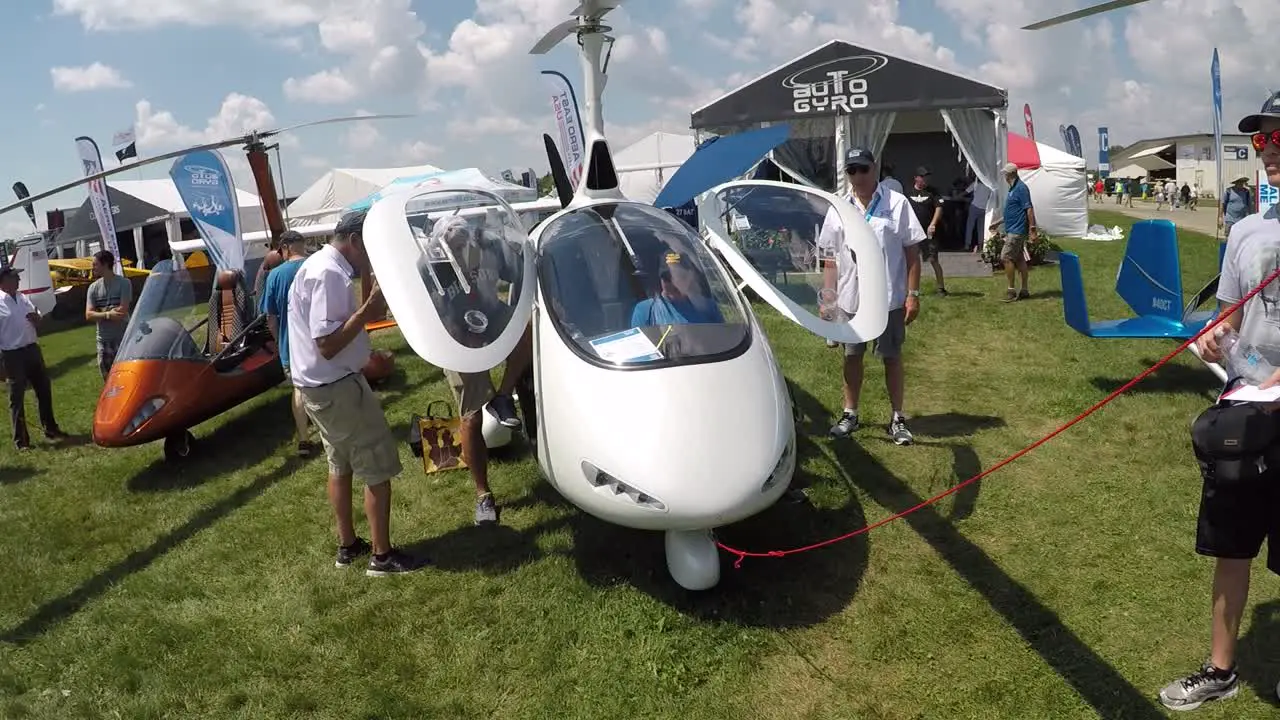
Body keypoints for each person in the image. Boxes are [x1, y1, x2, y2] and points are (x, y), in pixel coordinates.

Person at [1158, 91, 1280, 712]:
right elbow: (1230, 314)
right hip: (1247, 403)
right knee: (1232, 545)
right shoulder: (1246, 230)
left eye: (1278, 138)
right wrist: (1214, 335)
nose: (1267, 151)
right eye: (1260, 141)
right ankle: (1221, 669)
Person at [286, 209, 418, 576]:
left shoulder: (322, 266)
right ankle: (382, 556)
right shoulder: (328, 273)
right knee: (376, 467)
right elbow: (326, 343)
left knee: (340, 465)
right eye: (371, 247)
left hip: (322, 387)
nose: (374, 257)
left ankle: (348, 545)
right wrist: (368, 311)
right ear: (356, 241)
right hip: (337, 386)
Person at [427, 216, 533, 526]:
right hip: (455, 333)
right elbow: (434, 313)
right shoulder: (430, 266)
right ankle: (483, 495)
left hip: (491, 312)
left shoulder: (489, 249)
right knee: (471, 417)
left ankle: (503, 396)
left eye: (463, 244)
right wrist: (463, 336)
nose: (460, 251)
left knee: (526, 332)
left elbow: (520, 273)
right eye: (453, 247)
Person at [818, 147, 924, 446]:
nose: (858, 176)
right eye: (852, 171)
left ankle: (898, 418)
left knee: (891, 357)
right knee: (852, 357)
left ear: (874, 168)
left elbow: (912, 252)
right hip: (853, 300)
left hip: (889, 299)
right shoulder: (839, 208)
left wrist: (913, 294)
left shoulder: (897, 203)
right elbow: (830, 259)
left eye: (863, 169)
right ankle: (850, 413)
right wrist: (829, 298)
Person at [259, 230, 318, 458]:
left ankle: (304, 439)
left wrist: (278, 339)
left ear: (285, 248)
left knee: (299, 390)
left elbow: (270, 317)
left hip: (290, 344)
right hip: (321, 340)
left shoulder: (275, 276)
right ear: (302, 245)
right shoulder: (316, 266)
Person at [0, 267, 69, 450]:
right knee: (17, 398)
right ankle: (21, 441)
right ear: (4, 281)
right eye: (15, 277)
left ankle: (51, 428)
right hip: (12, 355)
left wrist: (37, 319)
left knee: (44, 390)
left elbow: (37, 320)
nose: (18, 280)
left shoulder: (23, 298)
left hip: (32, 350)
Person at [631, 249, 725, 326]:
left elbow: (724, 337)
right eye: (666, 278)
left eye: (679, 277)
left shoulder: (707, 307)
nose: (672, 283)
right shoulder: (645, 311)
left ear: (690, 277)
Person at [84, 250, 133, 380]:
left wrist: (99, 313)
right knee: (108, 380)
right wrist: (108, 314)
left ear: (105, 264)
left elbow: (121, 312)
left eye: (95, 264)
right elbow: (88, 315)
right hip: (103, 341)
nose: (92, 268)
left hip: (123, 339)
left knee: (127, 377)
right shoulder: (93, 288)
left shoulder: (124, 283)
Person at [904, 166, 947, 296]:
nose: (925, 179)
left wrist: (933, 224)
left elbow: (939, 208)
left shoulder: (933, 192)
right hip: (912, 232)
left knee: (933, 259)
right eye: (922, 176)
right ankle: (910, 290)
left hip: (929, 232)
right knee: (910, 261)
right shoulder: (907, 192)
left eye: (926, 177)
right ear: (916, 178)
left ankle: (941, 287)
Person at [999, 162, 1036, 302]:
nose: (1004, 177)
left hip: (1017, 230)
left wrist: (1032, 229)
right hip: (1012, 228)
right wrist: (999, 222)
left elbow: (1029, 209)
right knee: (1019, 258)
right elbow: (1014, 210)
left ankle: (1011, 290)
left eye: (1005, 174)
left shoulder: (1021, 188)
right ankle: (1024, 290)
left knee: (1006, 257)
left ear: (1010, 174)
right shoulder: (1012, 189)